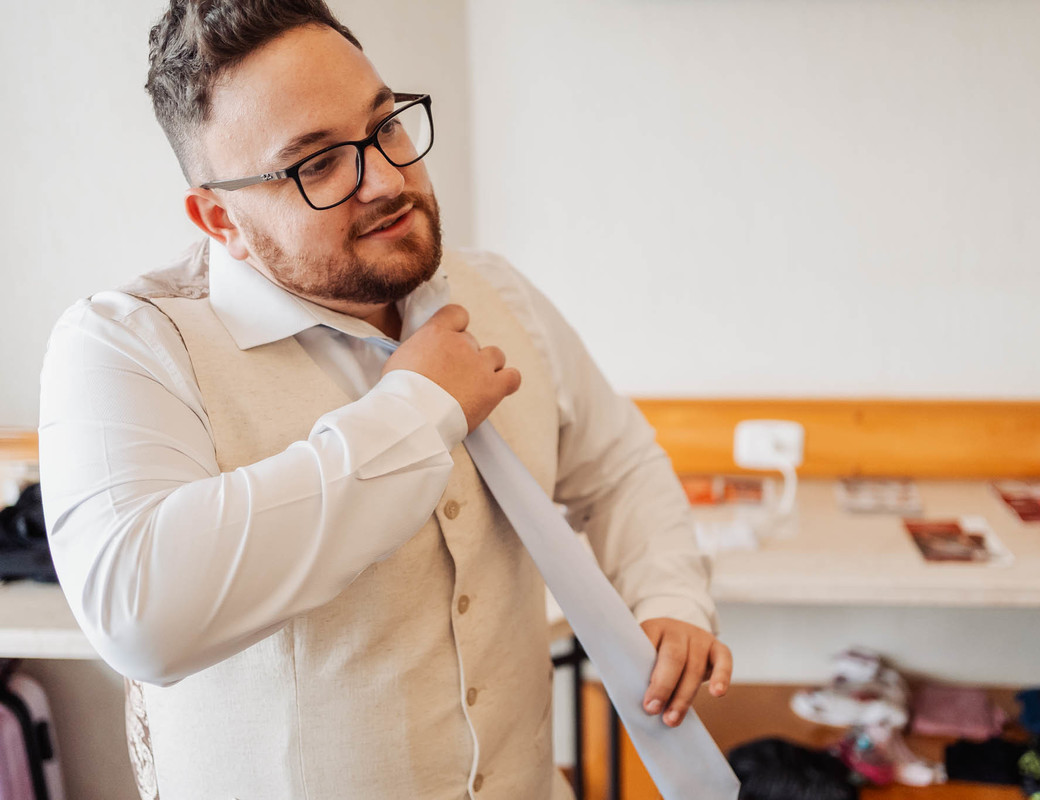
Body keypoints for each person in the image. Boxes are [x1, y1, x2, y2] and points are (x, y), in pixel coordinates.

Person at [37, 1, 731, 797]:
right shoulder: (127, 346)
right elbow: (139, 614)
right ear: (219, 218)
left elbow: (617, 468)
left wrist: (667, 592)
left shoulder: (501, 293)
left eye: (386, 125)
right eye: (319, 163)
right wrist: (419, 411)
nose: (389, 178)